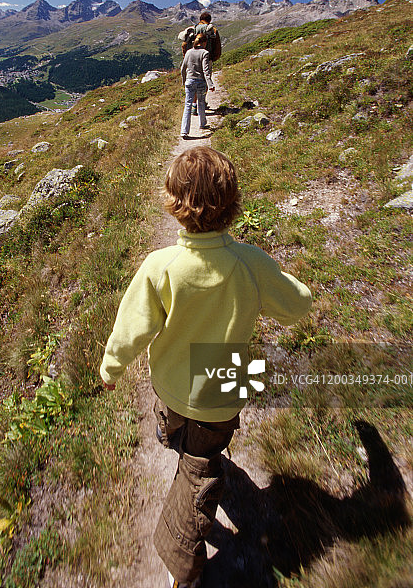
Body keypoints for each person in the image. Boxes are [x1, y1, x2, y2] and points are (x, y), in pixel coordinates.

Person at [100, 147, 312, 588]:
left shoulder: (160, 267)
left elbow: (130, 329)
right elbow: (298, 305)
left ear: (173, 203)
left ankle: (182, 559)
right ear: (233, 205)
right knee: (202, 467)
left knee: (187, 455)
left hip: (172, 382)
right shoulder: (250, 264)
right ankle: (193, 464)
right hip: (224, 388)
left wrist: (110, 370)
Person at [180, 11, 222, 116]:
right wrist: (213, 58)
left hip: (192, 59)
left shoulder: (193, 29)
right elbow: (217, 47)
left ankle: (193, 105)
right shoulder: (213, 30)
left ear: (200, 19)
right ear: (209, 20)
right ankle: (201, 103)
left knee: (193, 80)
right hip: (207, 58)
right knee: (205, 80)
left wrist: (186, 56)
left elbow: (184, 44)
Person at [180, 32, 215, 139]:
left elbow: (183, 68)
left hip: (189, 82)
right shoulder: (205, 53)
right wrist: (210, 84)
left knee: (187, 105)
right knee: (200, 103)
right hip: (200, 82)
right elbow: (206, 70)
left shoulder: (189, 52)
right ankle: (202, 124)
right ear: (204, 42)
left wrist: (184, 81)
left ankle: (184, 131)